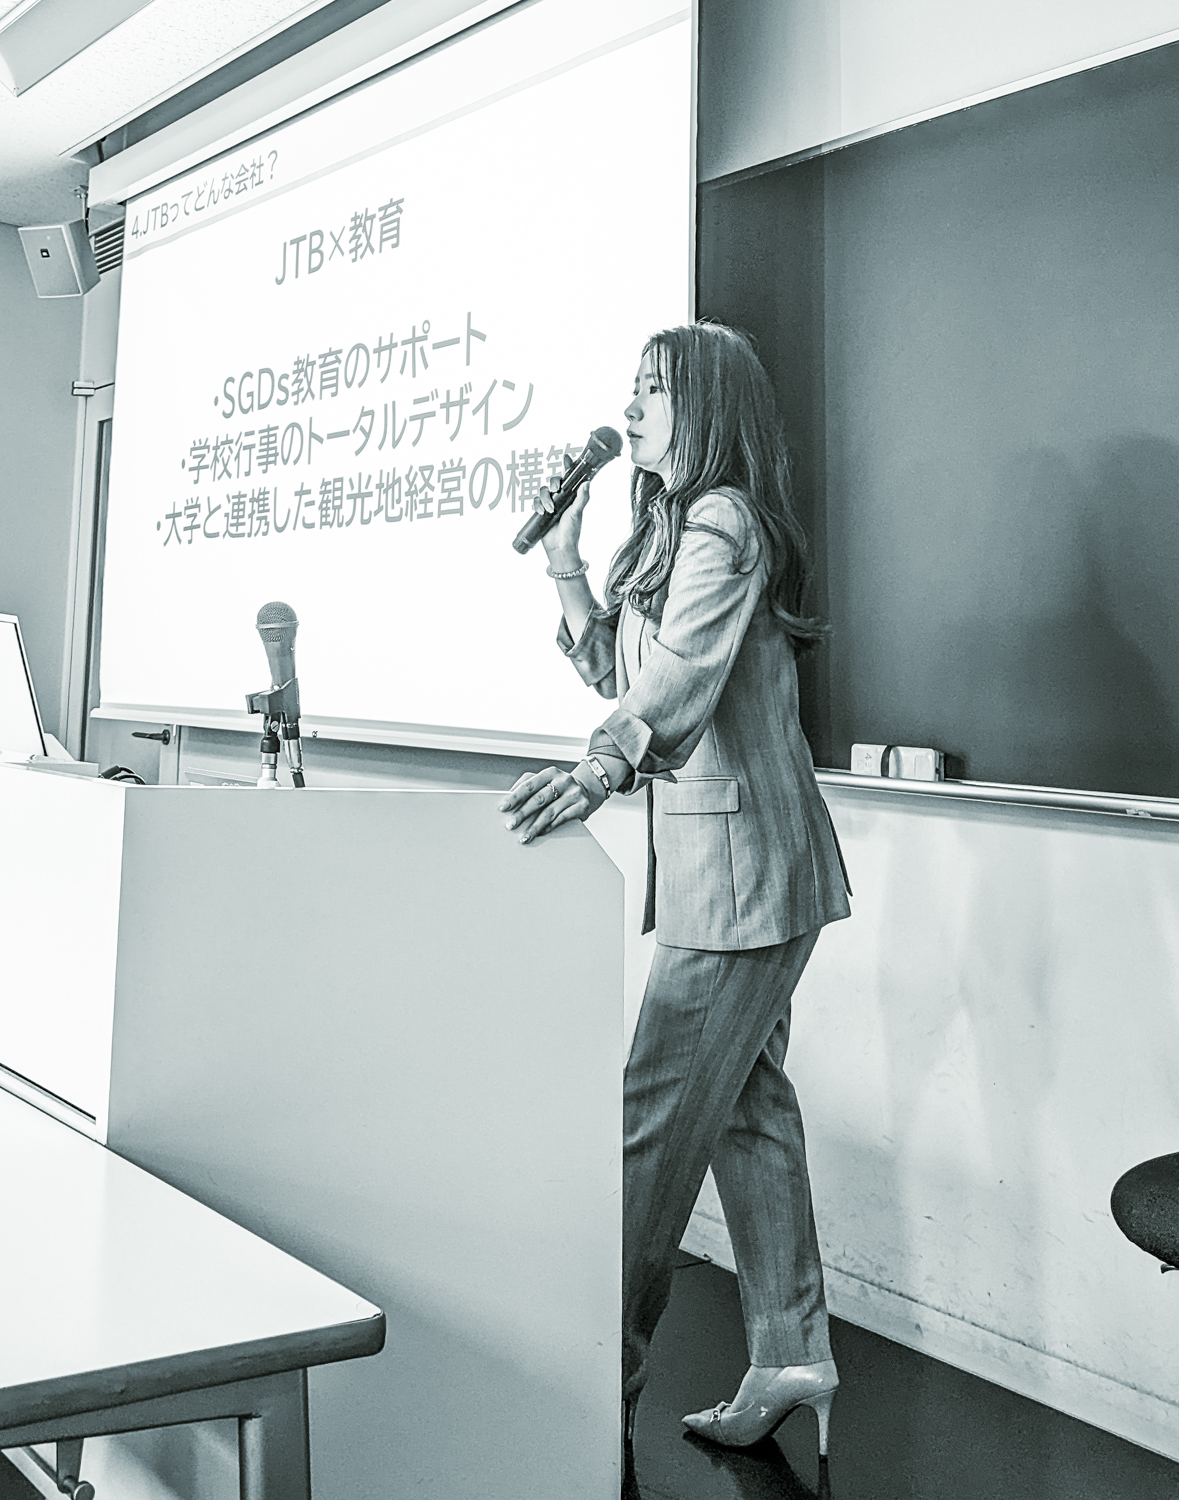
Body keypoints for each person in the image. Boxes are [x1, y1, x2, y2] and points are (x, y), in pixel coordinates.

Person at [499, 323, 851, 1464]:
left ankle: (594, 1376)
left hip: (745, 876)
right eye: (632, 389)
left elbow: (679, 684)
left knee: (644, 1133)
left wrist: (599, 768)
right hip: (741, 870)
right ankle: (791, 1351)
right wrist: (565, 559)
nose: (632, 409)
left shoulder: (725, 522)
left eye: (654, 392)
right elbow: (626, 670)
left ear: (707, 408)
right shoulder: (674, 525)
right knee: (747, 1109)